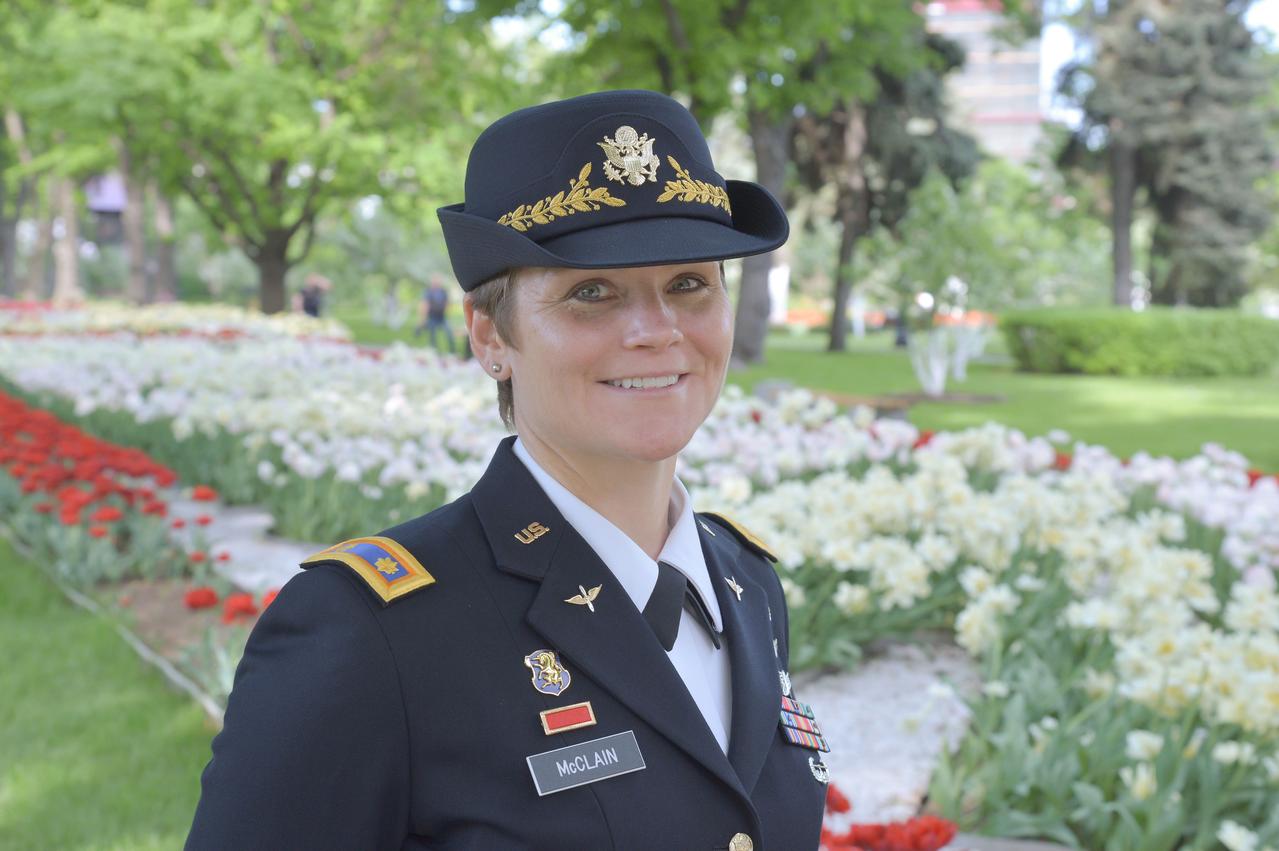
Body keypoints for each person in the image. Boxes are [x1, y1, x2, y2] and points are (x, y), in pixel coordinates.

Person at [186, 90, 829, 851]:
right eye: (592, 292)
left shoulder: (744, 584)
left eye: (688, 284)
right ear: (490, 337)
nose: (656, 331)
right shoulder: (371, 633)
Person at [413, 274, 456, 352]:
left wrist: (447, 312)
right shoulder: (428, 292)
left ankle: (452, 350)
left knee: (449, 331)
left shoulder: (443, 292)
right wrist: (422, 318)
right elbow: (425, 305)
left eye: (438, 281)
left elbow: (448, 304)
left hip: (442, 317)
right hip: (432, 317)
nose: (436, 283)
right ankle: (434, 349)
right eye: (434, 281)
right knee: (432, 332)